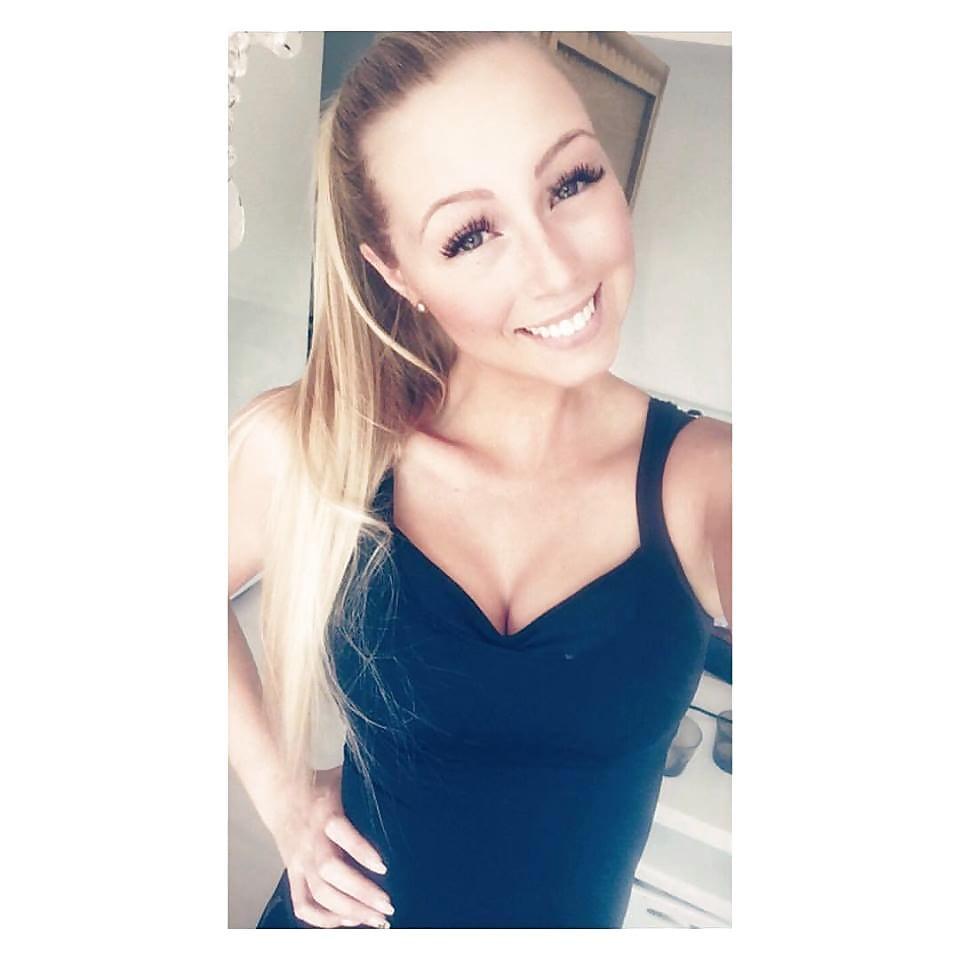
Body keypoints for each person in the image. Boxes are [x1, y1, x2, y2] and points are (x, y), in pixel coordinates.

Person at [228, 31, 731, 930]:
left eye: (571, 182)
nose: (557, 268)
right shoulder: (316, 449)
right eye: (469, 234)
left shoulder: (711, 481)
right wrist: (283, 799)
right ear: (396, 272)